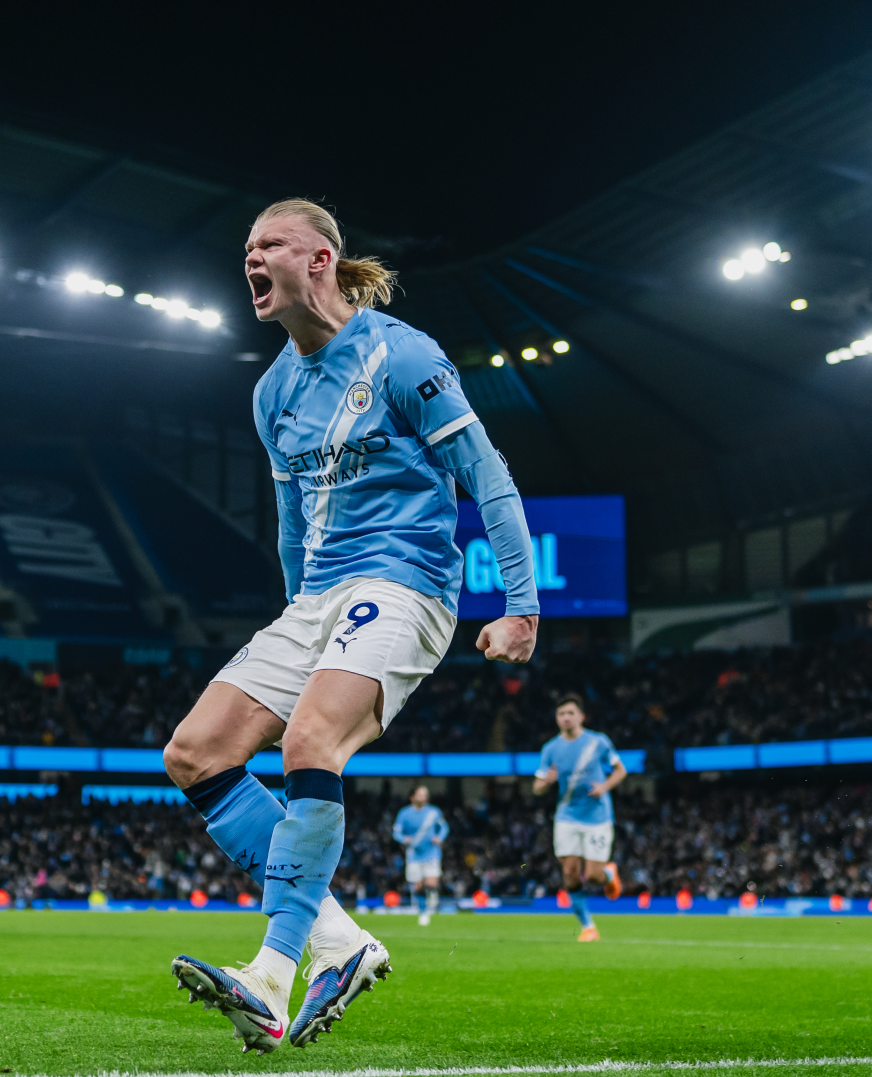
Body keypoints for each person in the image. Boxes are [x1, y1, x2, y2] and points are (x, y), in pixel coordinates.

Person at [162, 198, 540, 1053]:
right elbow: (292, 520)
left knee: (309, 744)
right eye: (246, 250)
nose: (250, 260)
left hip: (406, 584)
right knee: (195, 751)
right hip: (318, 599)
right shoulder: (272, 393)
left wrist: (520, 604)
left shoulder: (403, 356)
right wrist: (300, 611)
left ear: (320, 260)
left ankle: (270, 973)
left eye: (269, 246)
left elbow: (489, 476)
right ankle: (340, 941)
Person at [532, 694, 627, 942]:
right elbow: (536, 786)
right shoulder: (550, 748)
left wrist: (604, 787)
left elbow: (621, 770)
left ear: (581, 716)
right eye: (561, 714)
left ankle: (609, 874)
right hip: (566, 816)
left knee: (594, 875)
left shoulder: (598, 742)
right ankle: (588, 926)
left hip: (597, 816)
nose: (565, 718)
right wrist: (546, 782)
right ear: (556, 719)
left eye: (570, 713)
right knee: (570, 873)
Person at [392, 785, 449, 926]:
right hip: (414, 854)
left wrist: (439, 838)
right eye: (421, 794)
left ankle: (429, 905)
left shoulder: (433, 812)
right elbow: (396, 833)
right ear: (413, 797)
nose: (424, 797)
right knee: (418, 886)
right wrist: (404, 839)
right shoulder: (404, 813)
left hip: (431, 852)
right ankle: (423, 911)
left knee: (431, 883)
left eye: (425, 794)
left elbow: (444, 828)